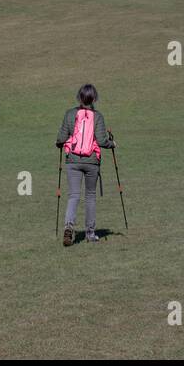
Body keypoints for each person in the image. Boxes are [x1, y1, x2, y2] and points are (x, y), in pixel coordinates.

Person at [55, 83, 115, 245]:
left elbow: (61, 138)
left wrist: (60, 143)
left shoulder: (70, 114)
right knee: (90, 197)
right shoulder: (98, 117)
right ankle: (90, 233)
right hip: (91, 162)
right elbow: (102, 141)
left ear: (79, 97)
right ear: (94, 98)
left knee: (73, 195)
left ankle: (69, 226)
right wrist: (112, 144)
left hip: (72, 161)